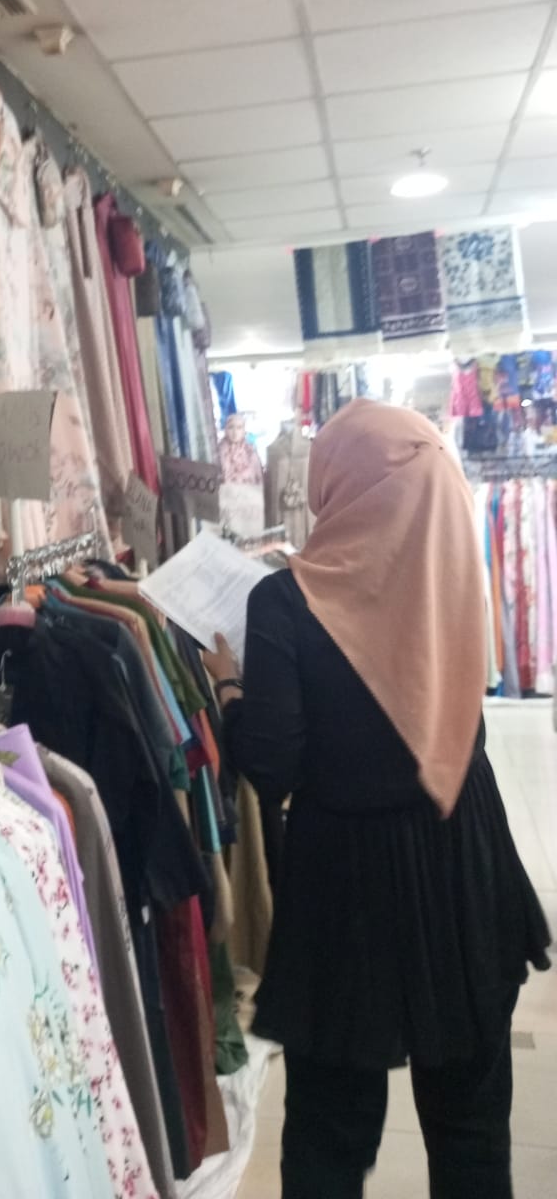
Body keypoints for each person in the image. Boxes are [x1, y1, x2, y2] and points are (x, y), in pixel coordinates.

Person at [202, 399, 550, 1199]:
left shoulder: (285, 602)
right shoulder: (450, 575)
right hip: (462, 854)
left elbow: (274, 766)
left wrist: (228, 689)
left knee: (328, 1135)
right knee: (471, 1130)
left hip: (346, 884)